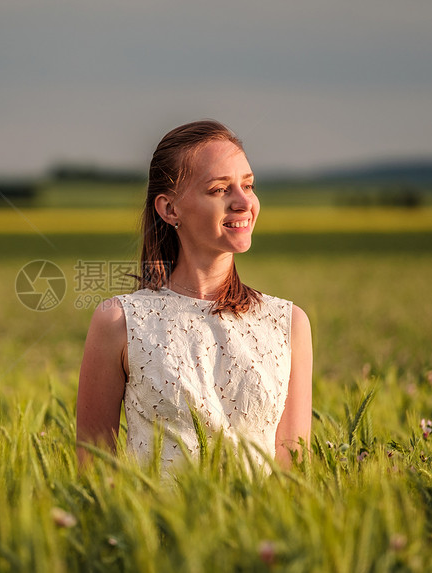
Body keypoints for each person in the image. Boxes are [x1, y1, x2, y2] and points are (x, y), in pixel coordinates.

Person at [76, 120, 312, 472]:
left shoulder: (288, 323)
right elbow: (92, 474)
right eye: (219, 189)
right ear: (170, 209)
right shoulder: (119, 321)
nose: (243, 202)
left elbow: (294, 472)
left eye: (248, 185)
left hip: (261, 528)